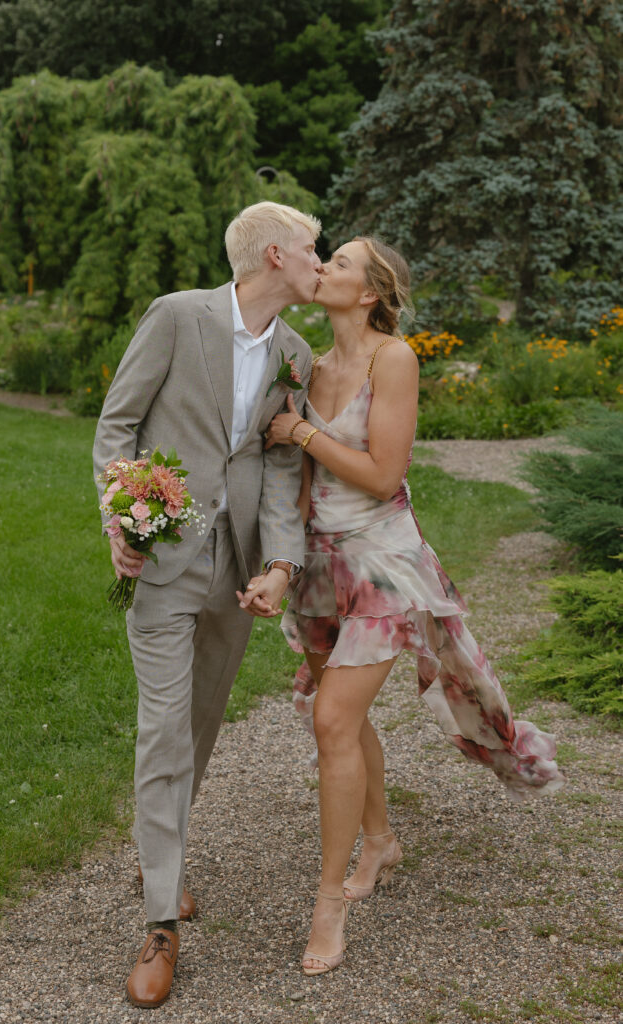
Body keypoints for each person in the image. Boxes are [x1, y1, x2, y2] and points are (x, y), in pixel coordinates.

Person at [253, 236, 564, 976]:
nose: (321, 267)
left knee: (331, 719)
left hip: (382, 563)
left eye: (339, 264)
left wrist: (298, 429)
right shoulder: (304, 364)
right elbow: (297, 488)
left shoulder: (391, 358)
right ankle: (382, 839)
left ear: (368, 293)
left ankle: (327, 909)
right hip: (321, 566)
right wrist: (278, 568)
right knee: (338, 717)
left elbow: (381, 471)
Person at [93, 201, 322, 1007]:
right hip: (162, 561)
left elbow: (285, 471)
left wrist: (282, 567)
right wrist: (121, 520)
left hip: (238, 573)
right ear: (271, 257)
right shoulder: (176, 317)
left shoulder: (294, 352)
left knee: (199, 723)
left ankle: (160, 847)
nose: (318, 264)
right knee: (163, 726)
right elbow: (117, 427)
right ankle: (161, 922)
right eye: (310, 251)